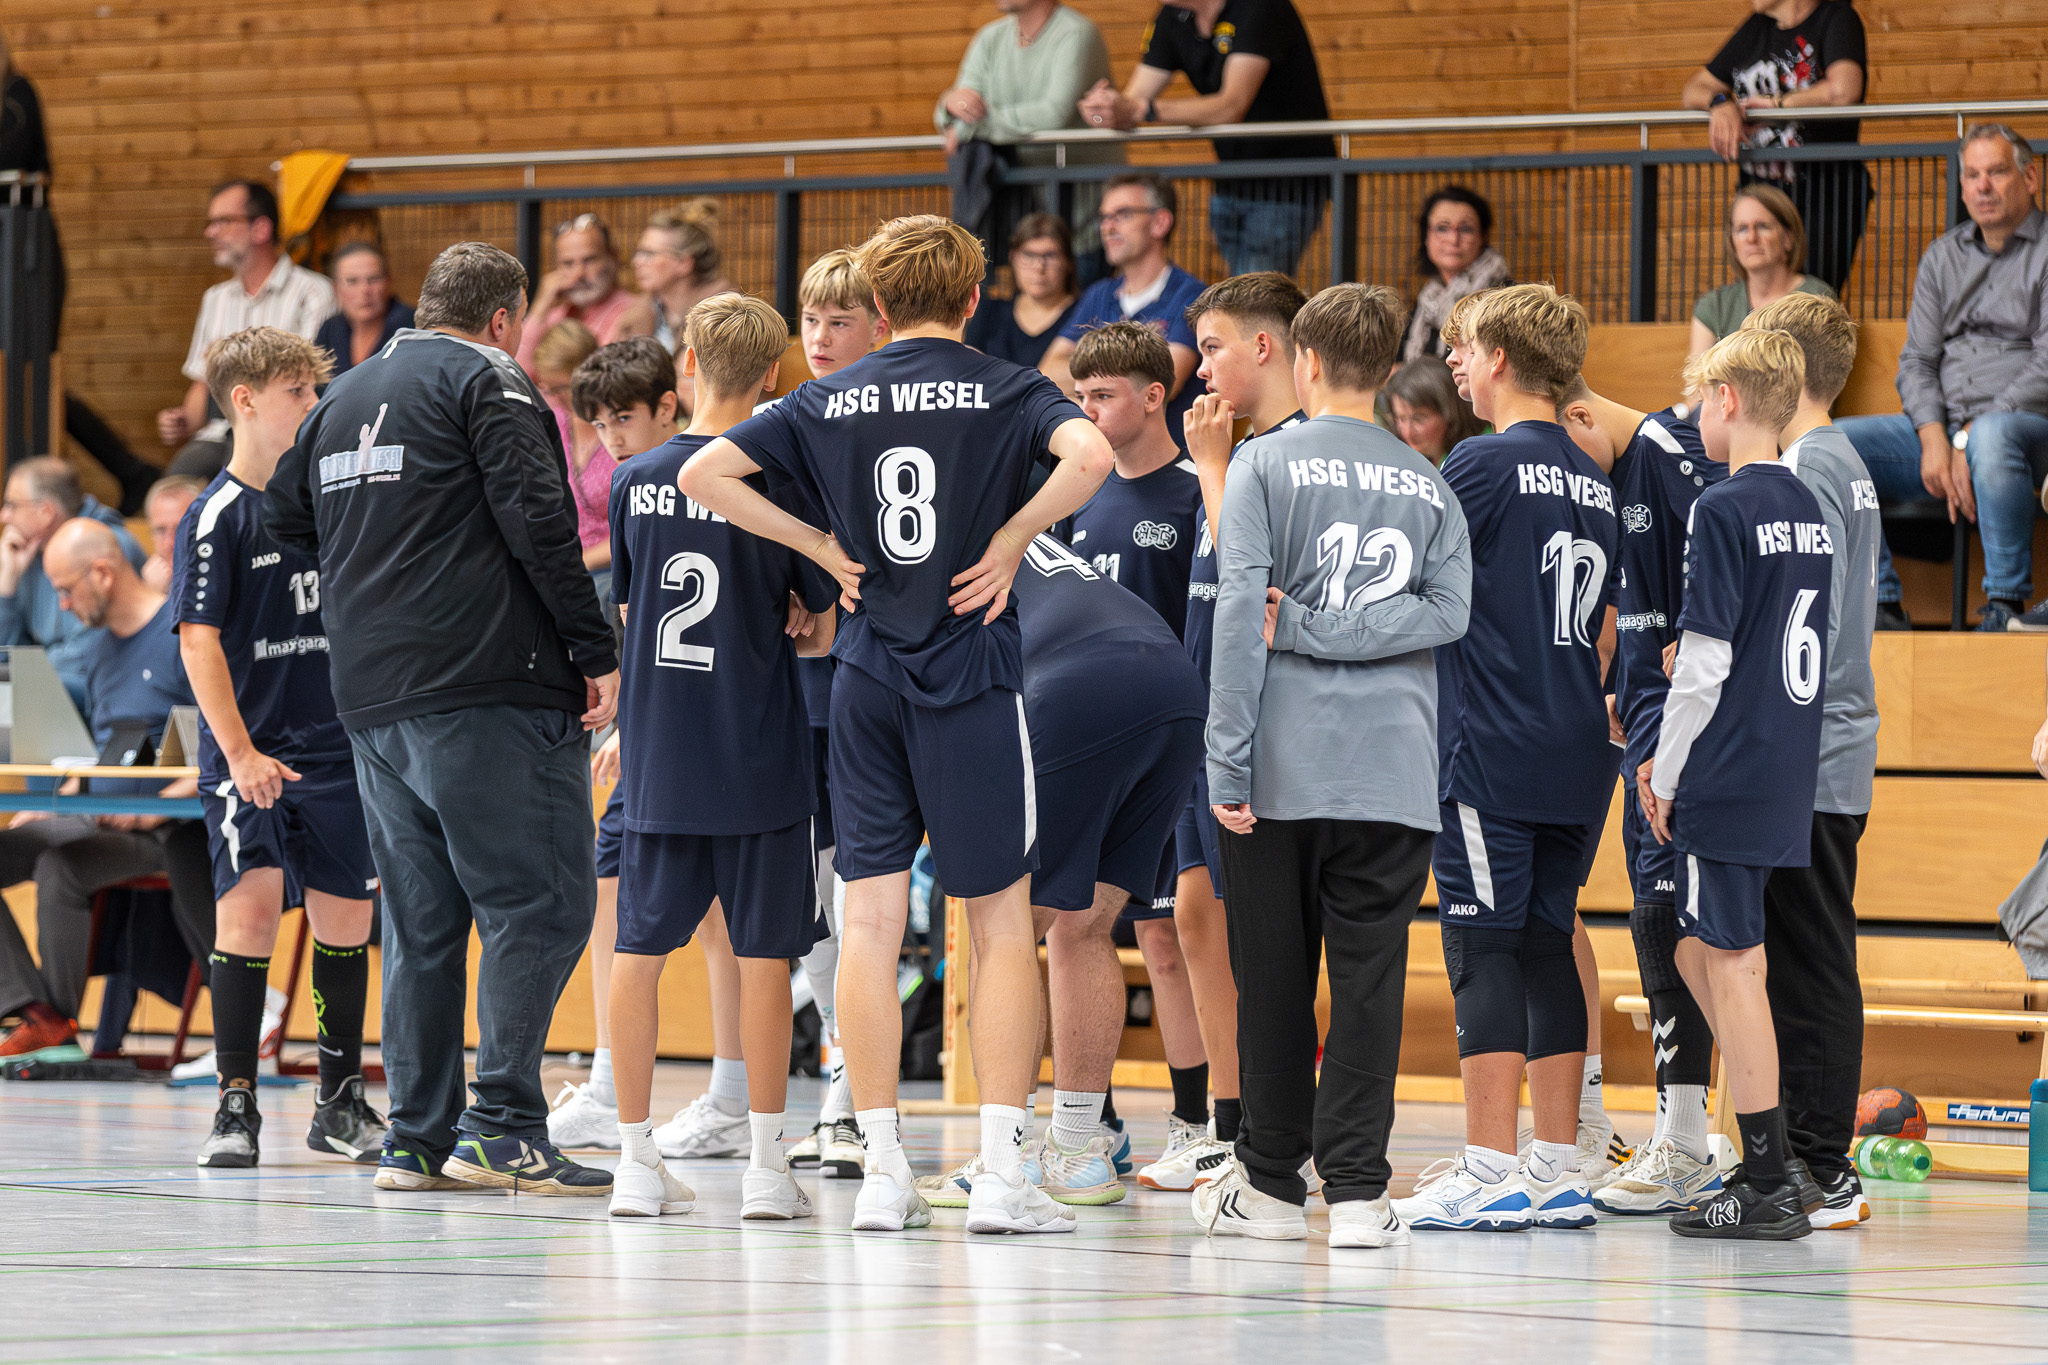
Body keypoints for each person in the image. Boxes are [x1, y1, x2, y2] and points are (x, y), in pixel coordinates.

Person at [678, 215, 1115, 1234]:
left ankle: (879, 1170)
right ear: (972, 299)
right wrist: (1009, 539)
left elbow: (702, 475)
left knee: (866, 924)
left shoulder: (824, 396)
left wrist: (822, 548)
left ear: (876, 308)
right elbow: (1089, 453)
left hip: (866, 671)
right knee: (1000, 923)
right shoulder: (1009, 386)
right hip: (967, 671)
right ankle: (1002, 1180)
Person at [265, 241, 620, 1197]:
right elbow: (541, 523)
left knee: (424, 923)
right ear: (506, 320)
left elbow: (283, 515)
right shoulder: (492, 380)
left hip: (373, 698)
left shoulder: (345, 394)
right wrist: (597, 651)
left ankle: (416, 1139)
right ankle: (502, 1121)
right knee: (540, 900)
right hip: (487, 685)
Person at [1198, 282, 1471, 1245]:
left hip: (1278, 764)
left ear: (1304, 362)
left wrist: (1225, 757)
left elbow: (1243, 619)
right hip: (1393, 772)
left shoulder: (1262, 464)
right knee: (1368, 982)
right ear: (1390, 366)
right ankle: (1358, 1192)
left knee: (1270, 977)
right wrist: (1347, 631)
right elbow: (1449, 614)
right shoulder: (1431, 479)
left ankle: (1271, 1187)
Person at [607, 293, 838, 1221]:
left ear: (688, 362)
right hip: (760, 756)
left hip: (661, 754)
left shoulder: (633, 480)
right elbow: (819, 630)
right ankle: (767, 1170)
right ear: (775, 376)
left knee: (636, 950)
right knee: (762, 958)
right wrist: (788, 610)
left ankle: (630, 1158)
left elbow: (633, 619)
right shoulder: (781, 482)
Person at [1392, 285, 1617, 1234]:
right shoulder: (1599, 474)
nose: (1455, 364)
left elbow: (1401, 572)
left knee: (1483, 947)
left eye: (1467, 348)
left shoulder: (1480, 464)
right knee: (1545, 945)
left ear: (1505, 361)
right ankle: (1557, 1167)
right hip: (1577, 746)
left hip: (1492, 742)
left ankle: (1489, 1166)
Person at [919, 532, 1207, 1211]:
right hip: (1171, 683)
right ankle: (1077, 1149)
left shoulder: (920, 546)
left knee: (1000, 925)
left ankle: (999, 1156)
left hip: (1077, 682)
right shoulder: (1013, 524)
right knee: (1086, 922)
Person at [174, 328, 383, 1170]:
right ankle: (236, 1103)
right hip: (252, 756)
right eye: (297, 390)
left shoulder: (327, 502)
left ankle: (339, 1101)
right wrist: (240, 751)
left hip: (338, 752)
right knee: (251, 911)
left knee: (345, 921)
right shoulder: (217, 513)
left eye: (312, 388)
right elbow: (199, 643)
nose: (311, 403)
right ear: (246, 399)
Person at [1645, 327, 1832, 1240]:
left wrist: (1665, 771)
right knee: (1699, 954)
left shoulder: (1720, 508)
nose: (1692, 415)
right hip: (1786, 759)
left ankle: (1766, 1176)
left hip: (1725, 762)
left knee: (1735, 966)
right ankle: (1774, 1149)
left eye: (1699, 399)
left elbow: (1707, 663)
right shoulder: (1808, 506)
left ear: (1727, 400)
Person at [1148, 271, 1310, 1191]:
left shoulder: (1284, 452)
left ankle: (1267, 1131)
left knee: (1252, 932)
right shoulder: (1243, 447)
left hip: (1262, 727)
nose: (1197, 367)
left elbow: (1259, 576)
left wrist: (1211, 467)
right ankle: (1227, 1119)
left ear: (1264, 346)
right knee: (1195, 913)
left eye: (1210, 347)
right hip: (1206, 713)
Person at [1553, 377, 1726, 1213]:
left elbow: (1709, 600)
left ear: (1582, 415)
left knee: (1680, 921)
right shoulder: (1623, 469)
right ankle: (1686, 1132)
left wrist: (1673, 724)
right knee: (1655, 918)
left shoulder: (1668, 454)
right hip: (1648, 723)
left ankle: (1694, 1138)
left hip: (1688, 737)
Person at [1742, 292, 1881, 1230]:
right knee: (1804, 954)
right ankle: (1807, 1154)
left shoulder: (1814, 467)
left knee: (1813, 958)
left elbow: (1810, 626)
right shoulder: (1844, 460)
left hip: (1814, 742)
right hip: (1830, 737)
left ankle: (1823, 1165)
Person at [1061, 322, 1203, 1166]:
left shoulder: (1196, 491)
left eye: (1103, 394)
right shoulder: (1076, 493)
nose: (1088, 409)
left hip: (1168, 746)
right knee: (1071, 924)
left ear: (1155, 397)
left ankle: (1195, 1122)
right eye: (1081, 395)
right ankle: (1095, 1121)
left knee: (1168, 936)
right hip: (1087, 745)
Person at [542, 336, 680, 1155]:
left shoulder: (678, 479)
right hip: (659, 714)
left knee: (738, 924)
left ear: (670, 404)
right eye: (597, 424)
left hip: (693, 722)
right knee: (613, 881)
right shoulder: (636, 480)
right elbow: (636, 624)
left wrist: (636, 716)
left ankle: (740, 1094)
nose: (611, 438)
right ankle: (606, 1083)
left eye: (624, 419)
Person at [0, 519, 203, 1060]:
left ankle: (56, 1022)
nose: (62, 606)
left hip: (165, 829)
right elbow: (101, 748)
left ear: (103, 574)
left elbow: (217, 748)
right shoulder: (98, 650)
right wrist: (54, 804)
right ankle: (35, 1012)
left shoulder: (181, 637)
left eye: (66, 590)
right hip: (97, 814)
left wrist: (151, 813)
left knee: (62, 864)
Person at [1837, 126, 2048, 633]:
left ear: (2031, 177)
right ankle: (1880, 604)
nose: (1982, 187)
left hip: (2028, 435)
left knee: (1995, 437)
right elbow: (1916, 362)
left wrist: (1972, 433)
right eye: (1971, 175)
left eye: (1997, 172)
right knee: (1832, 445)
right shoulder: (1942, 257)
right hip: (1944, 432)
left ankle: (2004, 607)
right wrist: (1936, 437)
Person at [1079, 0, 1333, 277]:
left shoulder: (1260, 8)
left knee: (1257, 292)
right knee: (1242, 289)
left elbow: (1231, 105)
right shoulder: (1173, 17)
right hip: (1230, 181)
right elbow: (1133, 99)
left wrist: (1142, 109)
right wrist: (1105, 109)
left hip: (1288, 182)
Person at [1684, 0, 1870, 291]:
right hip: (1762, 192)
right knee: (1758, 298)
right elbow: (1694, 88)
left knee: (1810, 298)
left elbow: (1843, 89)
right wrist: (1720, 103)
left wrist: (1778, 106)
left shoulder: (1836, 18)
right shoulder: (1757, 28)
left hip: (1823, 195)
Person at [160, 180, 337, 479]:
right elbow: (203, 383)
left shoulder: (314, 292)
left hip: (283, 431)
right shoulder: (215, 298)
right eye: (211, 222)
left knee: (241, 470)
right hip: (220, 432)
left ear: (261, 229)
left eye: (224, 222)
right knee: (175, 485)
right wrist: (181, 422)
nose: (210, 232)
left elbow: (312, 381)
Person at [936, 0, 1118, 267]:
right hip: (1022, 218)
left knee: (1083, 306)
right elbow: (956, 110)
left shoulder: (1077, 33)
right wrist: (948, 102)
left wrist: (971, 124)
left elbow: (1053, 113)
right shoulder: (990, 38)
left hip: (1083, 218)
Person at [1039, 174, 1204, 444]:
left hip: (1170, 463)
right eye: (1104, 217)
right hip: (1099, 459)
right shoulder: (1098, 294)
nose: (1108, 227)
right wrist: (1126, 374)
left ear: (1160, 222)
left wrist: (1083, 380)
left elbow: (1164, 381)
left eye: (1122, 214)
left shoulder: (1190, 295)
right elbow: (1048, 373)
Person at [0, 456, 146, 709]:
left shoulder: (104, 546)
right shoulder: (26, 556)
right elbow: (6, 655)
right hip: (52, 683)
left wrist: (24, 673)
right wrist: (7, 587)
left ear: (45, 512)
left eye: (12, 505)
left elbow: (91, 651)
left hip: (101, 686)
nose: (4, 515)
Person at [1689, 185, 1836, 354]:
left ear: (1788, 237)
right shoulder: (1715, 306)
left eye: (1762, 226)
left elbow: (1822, 375)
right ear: (1733, 242)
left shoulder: (1818, 298)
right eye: (1742, 229)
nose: (1752, 238)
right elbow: (1697, 379)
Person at [531, 321, 618, 582]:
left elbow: (639, 529)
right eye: (548, 389)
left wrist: (576, 564)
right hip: (567, 562)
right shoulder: (555, 420)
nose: (555, 398)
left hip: (611, 567)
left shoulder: (623, 426)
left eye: (562, 388)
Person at [514, 213, 647, 380]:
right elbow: (517, 376)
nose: (578, 274)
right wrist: (540, 307)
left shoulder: (634, 313)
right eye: (568, 264)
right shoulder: (553, 317)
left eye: (589, 260)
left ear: (613, 258)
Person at [1401, 188, 1514, 364]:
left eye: (1466, 229)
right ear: (1426, 237)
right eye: (1442, 228)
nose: (1454, 239)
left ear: (1483, 237)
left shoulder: (1506, 299)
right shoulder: (1427, 301)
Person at [965, 213, 1080, 369]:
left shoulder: (1084, 313)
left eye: (1050, 255)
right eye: (1029, 255)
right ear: (1013, 257)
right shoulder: (988, 312)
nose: (1039, 267)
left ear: (1068, 261)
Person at [633, 200, 737, 355]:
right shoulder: (636, 314)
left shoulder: (723, 314)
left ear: (684, 263)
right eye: (639, 253)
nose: (636, 262)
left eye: (649, 254)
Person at [312, 243, 416, 378]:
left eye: (373, 279)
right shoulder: (330, 329)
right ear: (335, 288)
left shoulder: (414, 327)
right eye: (352, 281)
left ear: (389, 282)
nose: (364, 290)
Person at [1386, 355, 1484, 463]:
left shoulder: (1479, 454)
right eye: (1401, 419)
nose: (1408, 432)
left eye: (1419, 419)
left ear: (1450, 412)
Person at [141, 476, 206, 594]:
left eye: (180, 530)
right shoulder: (150, 582)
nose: (169, 543)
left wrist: (155, 599)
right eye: (160, 530)